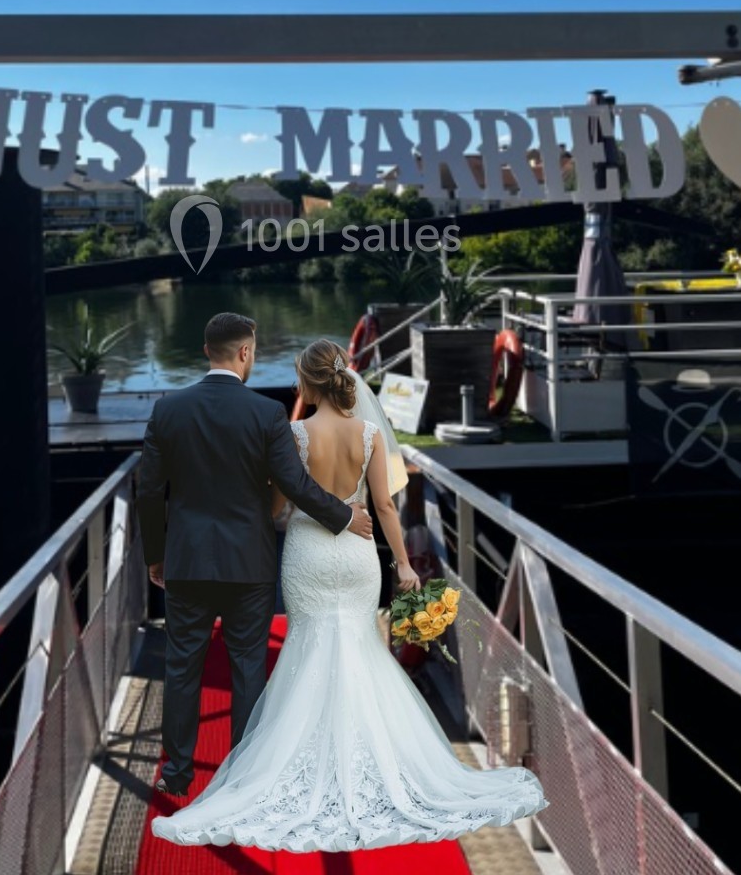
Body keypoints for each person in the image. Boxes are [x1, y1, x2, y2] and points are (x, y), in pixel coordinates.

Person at [152, 338, 550, 852]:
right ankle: (377, 763)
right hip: (360, 557)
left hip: (308, 556)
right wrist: (403, 564)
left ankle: (308, 763)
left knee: (308, 649)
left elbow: (277, 510)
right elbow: (384, 505)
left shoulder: (292, 434)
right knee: (360, 648)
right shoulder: (368, 434)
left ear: (309, 383)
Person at [136, 314, 374, 797]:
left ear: (207, 350)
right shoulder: (266, 413)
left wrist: (156, 557)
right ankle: (243, 775)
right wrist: (345, 517)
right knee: (248, 666)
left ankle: (177, 774)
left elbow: (147, 492)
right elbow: (294, 485)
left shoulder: (167, 410)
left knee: (182, 666)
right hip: (250, 562)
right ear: (245, 353)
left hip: (187, 562)